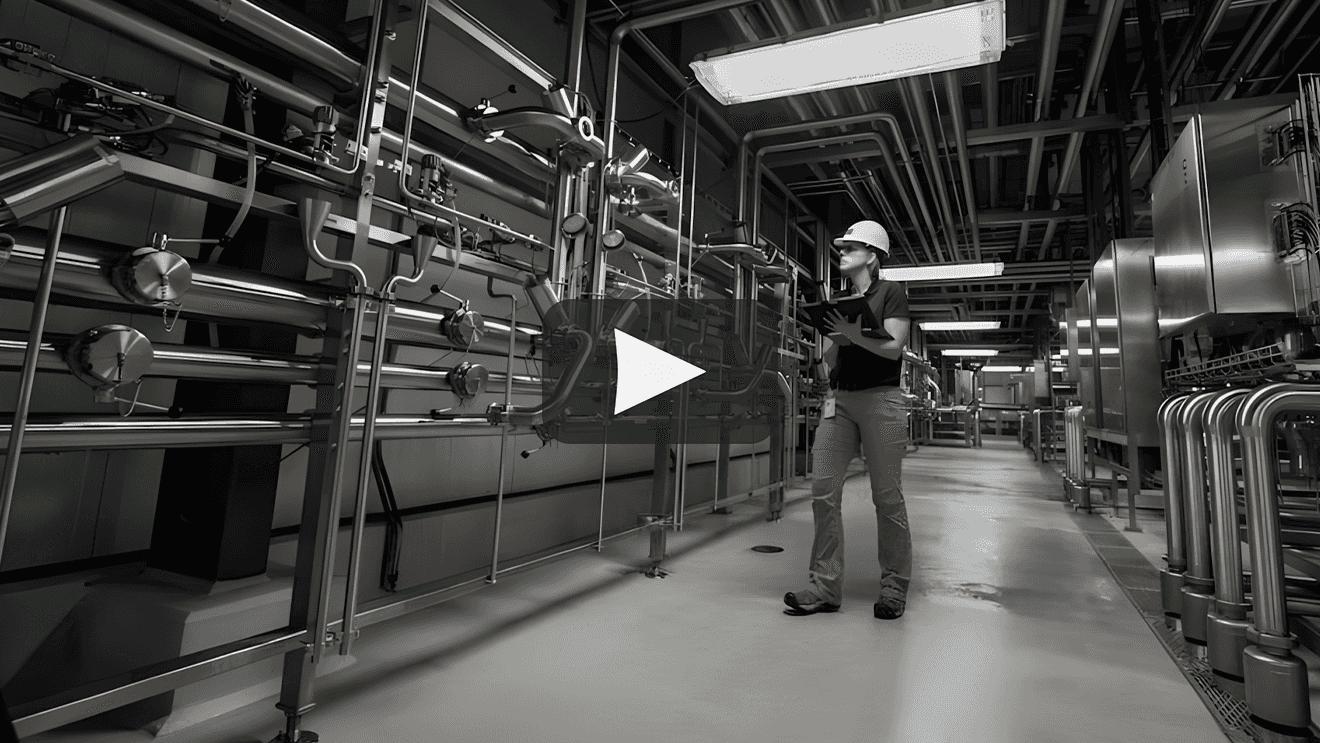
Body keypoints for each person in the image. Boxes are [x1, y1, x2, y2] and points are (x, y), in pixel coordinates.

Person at [784, 219, 912, 620]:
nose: (841, 253)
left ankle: (893, 588)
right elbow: (831, 357)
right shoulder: (839, 299)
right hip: (840, 401)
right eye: (841, 248)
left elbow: (892, 348)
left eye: (850, 248)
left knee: (886, 497)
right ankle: (824, 587)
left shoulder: (891, 293)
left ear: (871, 256)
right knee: (823, 492)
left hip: (882, 401)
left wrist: (850, 333)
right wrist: (832, 342)